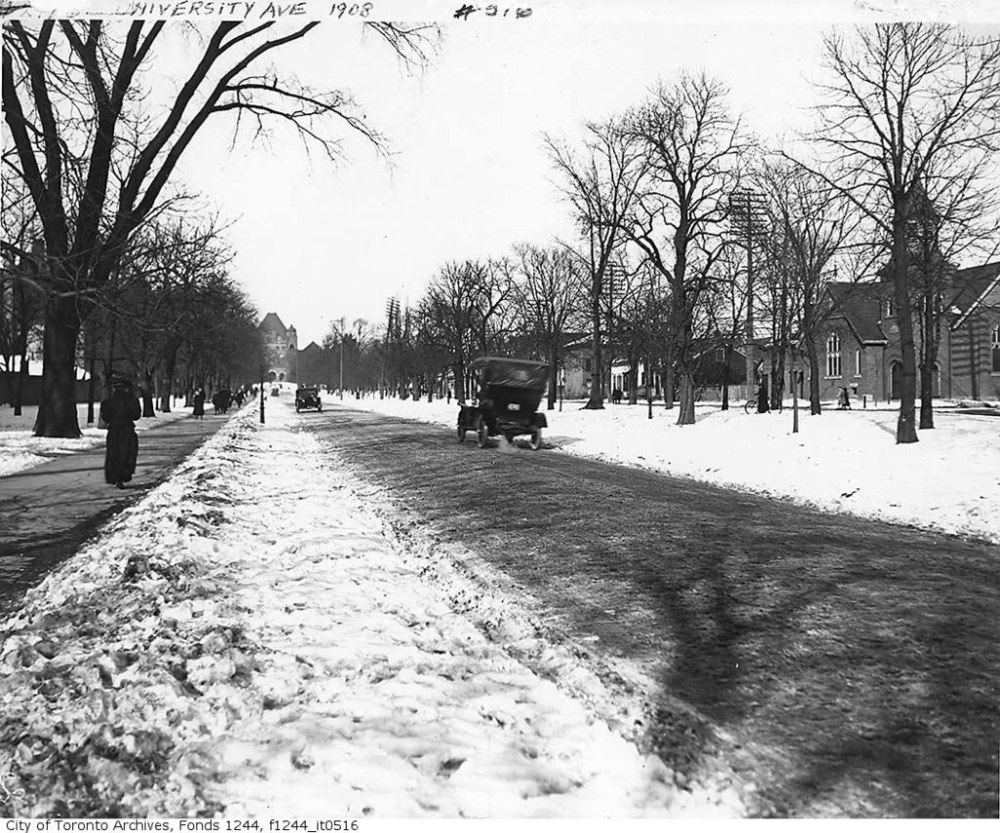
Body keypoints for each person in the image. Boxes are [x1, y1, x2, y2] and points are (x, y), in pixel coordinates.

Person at [100, 374, 141, 489]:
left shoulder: (107, 402)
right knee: (127, 454)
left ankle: (115, 477)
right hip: (127, 430)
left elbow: (106, 418)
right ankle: (124, 475)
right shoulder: (133, 400)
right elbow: (136, 416)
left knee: (114, 454)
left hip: (114, 430)